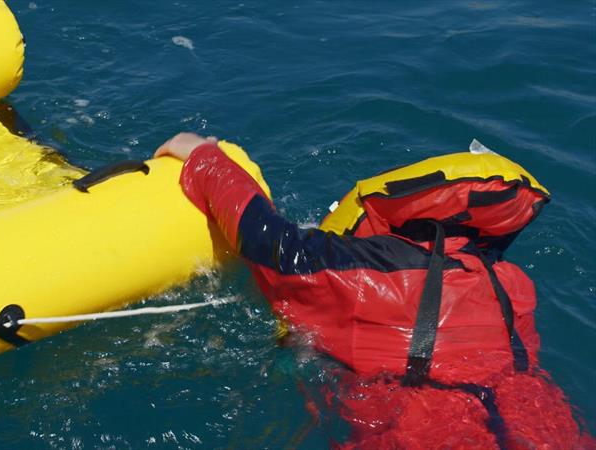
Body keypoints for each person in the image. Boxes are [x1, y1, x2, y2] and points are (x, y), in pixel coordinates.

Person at [154, 132, 594, 449]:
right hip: (550, 427)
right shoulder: (511, 285)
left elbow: (268, 242)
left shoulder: (371, 274)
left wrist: (204, 157)